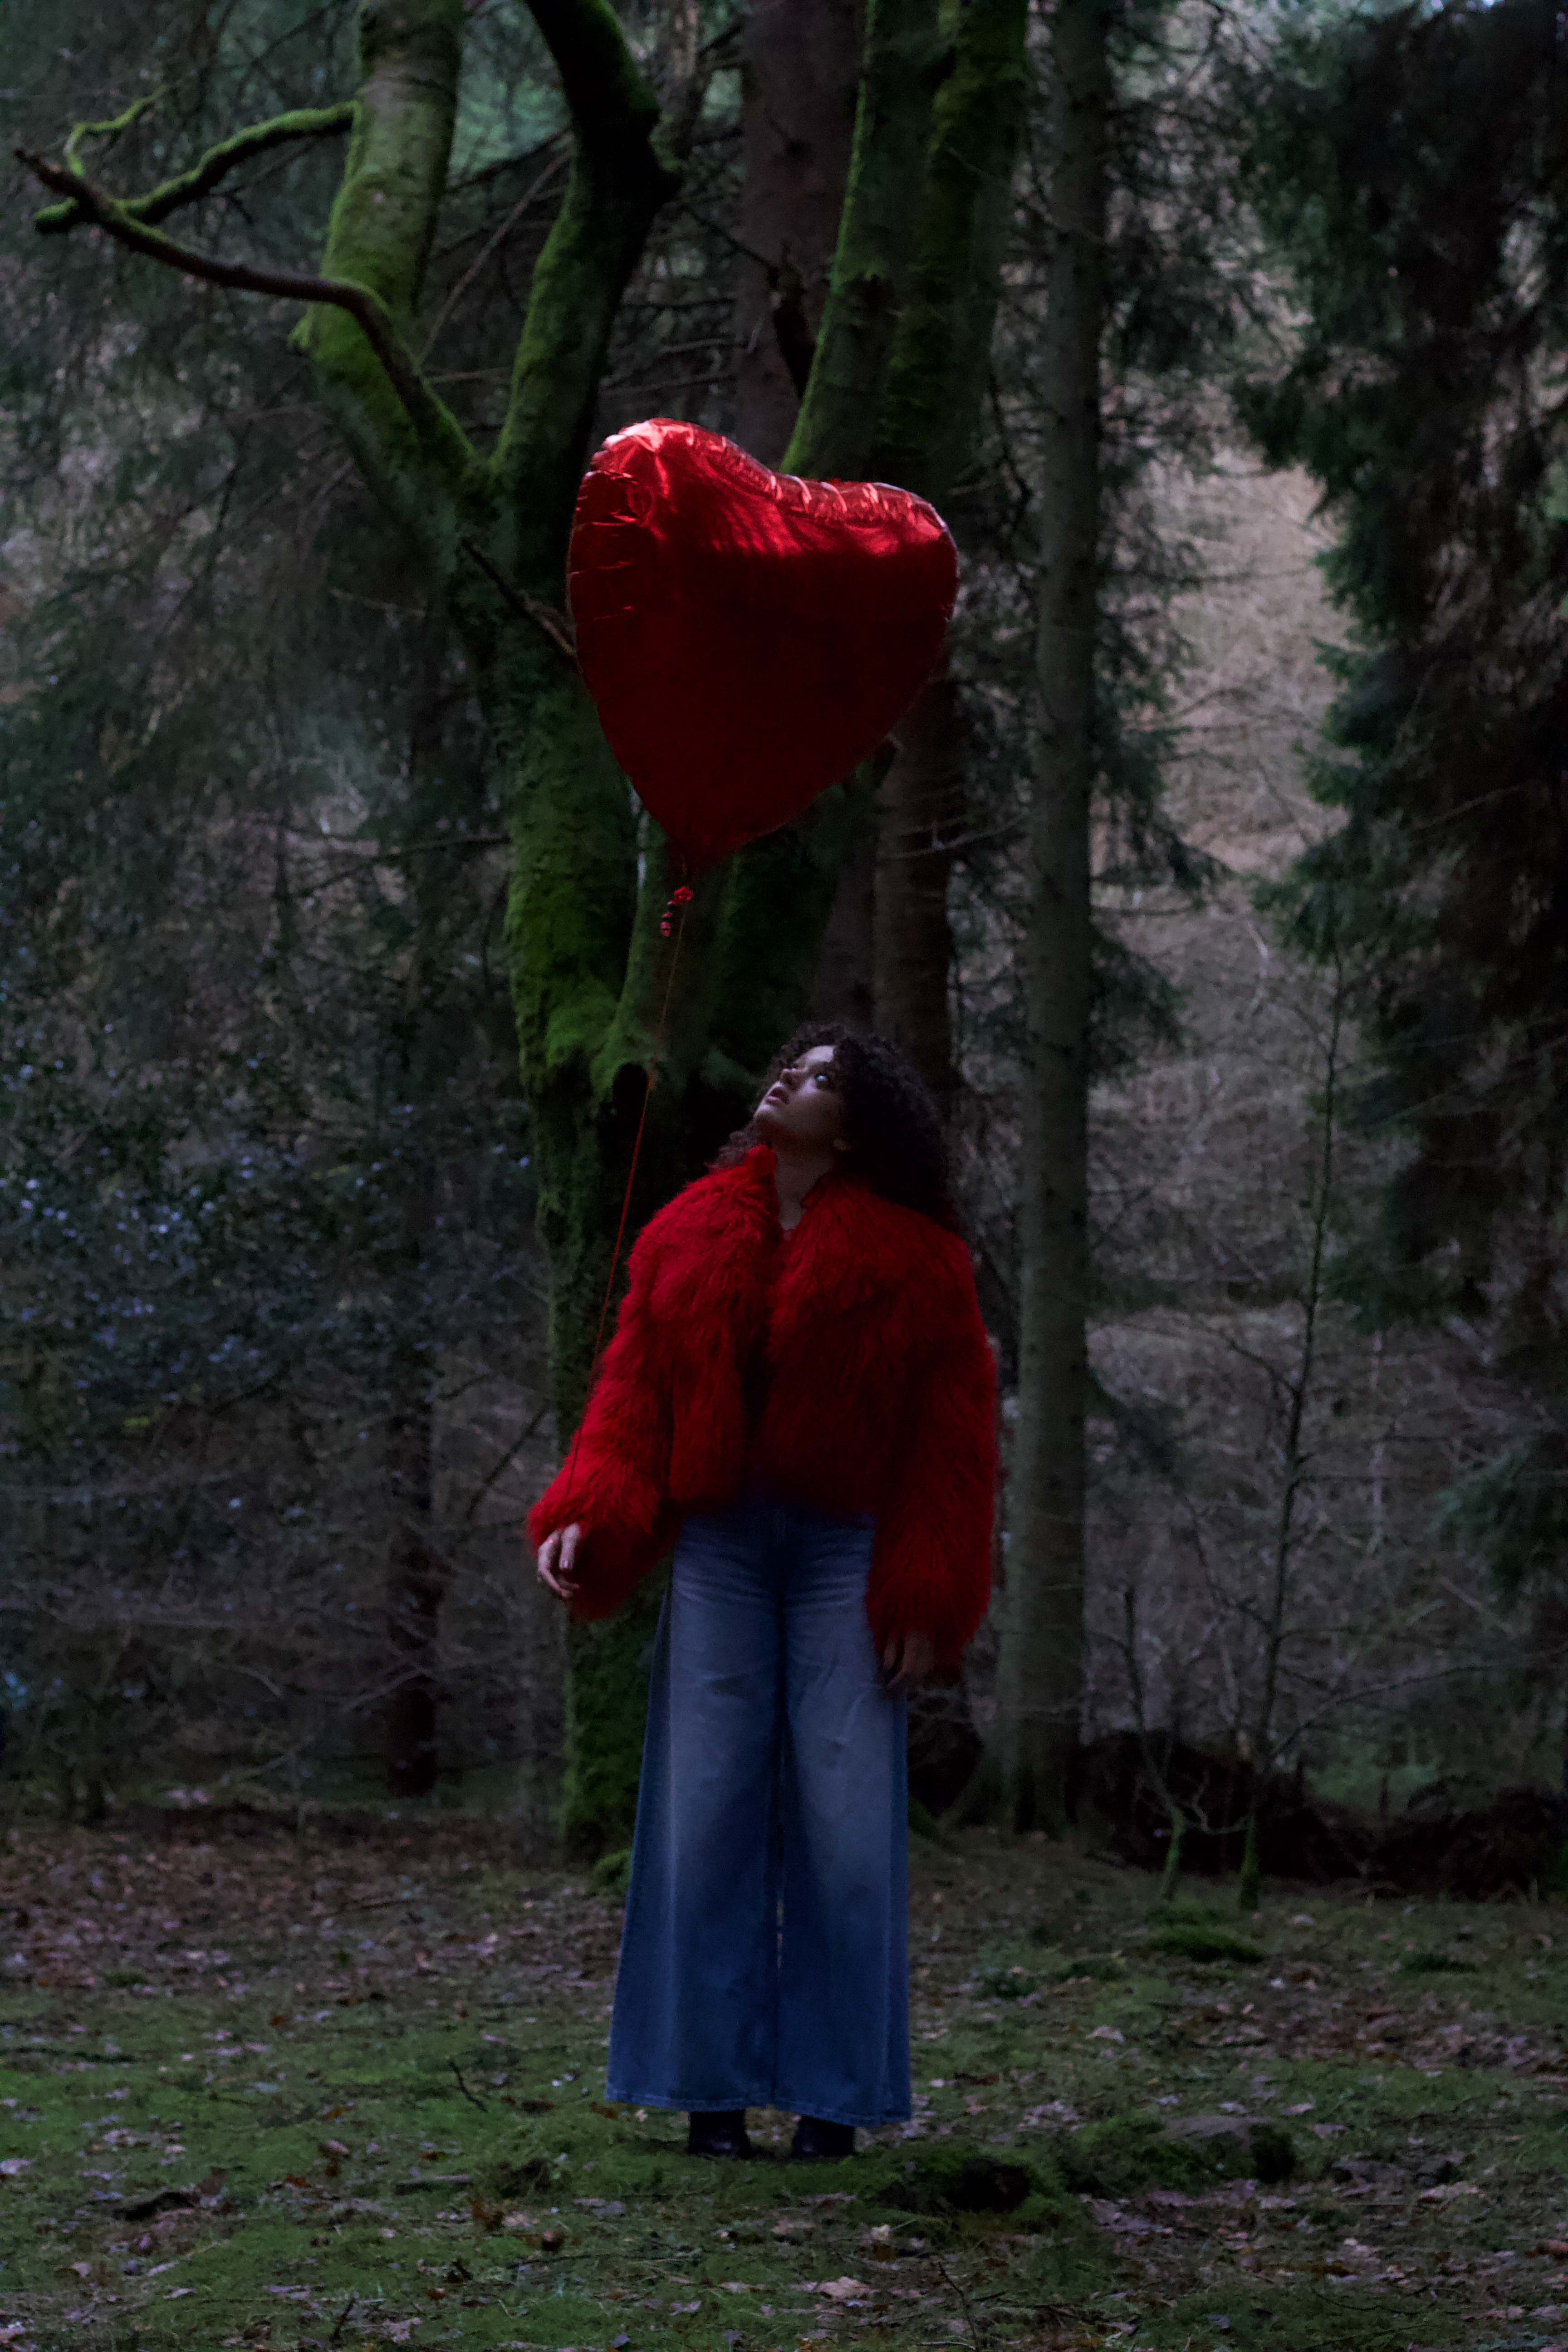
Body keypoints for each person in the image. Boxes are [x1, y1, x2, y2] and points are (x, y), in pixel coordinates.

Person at [529, 1022, 996, 2160]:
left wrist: (929, 1595)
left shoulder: (919, 1260)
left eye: (827, 1078)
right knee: (702, 1815)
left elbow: (953, 1440)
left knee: (847, 1825)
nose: (792, 1078)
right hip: (721, 1545)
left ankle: (834, 2107)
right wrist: (587, 1510)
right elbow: (632, 1389)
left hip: (846, 1548)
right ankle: (709, 2100)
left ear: (859, 1128)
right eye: (791, 1064)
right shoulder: (684, 1233)